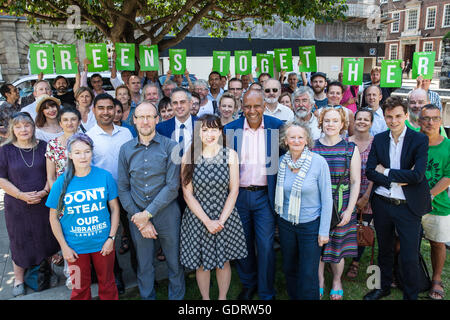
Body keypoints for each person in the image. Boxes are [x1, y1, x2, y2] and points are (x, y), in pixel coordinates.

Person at [364, 96, 431, 300]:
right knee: (384, 249)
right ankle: (382, 287)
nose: (393, 121)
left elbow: (417, 175)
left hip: (407, 206)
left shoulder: (419, 139)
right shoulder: (380, 138)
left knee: (409, 254)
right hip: (383, 203)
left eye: (398, 116)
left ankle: (410, 295)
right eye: (389, 116)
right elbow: (369, 172)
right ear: (384, 117)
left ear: (406, 115)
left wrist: (385, 172)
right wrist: (399, 176)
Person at [117, 101, 185, 300]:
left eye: (150, 117)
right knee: (144, 264)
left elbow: (173, 186)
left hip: (167, 215)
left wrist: (147, 215)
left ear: (157, 119)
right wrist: (139, 217)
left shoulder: (171, 146)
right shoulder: (125, 149)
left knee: (174, 263)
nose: (145, 121)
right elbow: (123, 187)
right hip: (137, 215)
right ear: (134, 120)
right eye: (141, 117)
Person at [224, 89, 283, 300]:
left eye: (256, 106)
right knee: (243, 244)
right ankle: (248, 284)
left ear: (264, 106)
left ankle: (267, 291)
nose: (252, 110)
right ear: (242, 107)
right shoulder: (230, 129)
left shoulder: (277, 127)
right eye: (247, 106)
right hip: (238, 196)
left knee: (266, 246)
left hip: (265, 196)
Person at [180, 114, 246, 300]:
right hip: (198, 217)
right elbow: (187, 193)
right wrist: (207, 221)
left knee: (223, 262)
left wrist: (220, 221)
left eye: (214, 129)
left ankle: (222, 299)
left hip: (224, 215)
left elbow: (233, 190)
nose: (210, 134)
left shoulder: (230, 155)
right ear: (198, 132)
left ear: (220, 132)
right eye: (205, 129)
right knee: (202, 263)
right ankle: (206, 299)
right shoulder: (189, 157)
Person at [46, 133, 120, 300]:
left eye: (87, 151)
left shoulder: (104, 176)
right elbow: (53, 218)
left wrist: (111, 238)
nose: (83, 156)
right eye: (77, 152)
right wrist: (64, 247)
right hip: (75, 248)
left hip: (103, 245)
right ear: (70, 155)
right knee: (79, 288)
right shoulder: (61, 182)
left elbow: (115, 209)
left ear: (92, 153)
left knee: (108, 284)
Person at [0, 112, 60, 297]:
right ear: (12, 129)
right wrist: (20, 195)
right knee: (20, 241)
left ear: (33, 127)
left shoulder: (44, 147)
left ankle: (45, 273)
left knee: (46, 238)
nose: (23, 129)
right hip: (17, 206)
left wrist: (44, 191)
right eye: (18, 126)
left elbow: (54, 173)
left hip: (43, 203)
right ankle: (18, 279)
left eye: (27, 125)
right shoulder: (5, 150)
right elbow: (1, 178)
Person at [275, 121, 332, 300]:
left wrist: (323, 231)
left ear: (307, 140)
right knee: (290, 267)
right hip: (286, 224)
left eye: (301, 137)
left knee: (308, 272)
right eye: (292, 137)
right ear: (286, 141)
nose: (297, 140)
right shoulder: (281, 162)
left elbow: (327, 199)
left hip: (310, 226)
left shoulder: (318, 162)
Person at [86, 93, 134, 293]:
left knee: (133, 236)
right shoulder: (88, 137)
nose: (106, 112)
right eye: (101, 108)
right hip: (103, 198)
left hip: (128, 193)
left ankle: (142, 273)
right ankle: (115, 276)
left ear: (116, 110)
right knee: (109, 239)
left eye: (109, 108)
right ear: (94, 110)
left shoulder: (126, 133)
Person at [311, 107, 361, 300]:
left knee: (336, 248)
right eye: (327, 121)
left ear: (342, 124)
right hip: (317, 204)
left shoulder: (350, 148)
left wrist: (349, 210)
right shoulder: (313, 147)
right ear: (321, 123)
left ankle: (337, 280)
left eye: (335, 121)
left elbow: (355, 180)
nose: (330, 124)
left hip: (341, 204)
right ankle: (320, 280)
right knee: (318, 245)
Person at [418, 104, 450, 300]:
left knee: (437, 243)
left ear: (441, 121)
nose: (430, 122)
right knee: (401, 241)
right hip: (412, 204)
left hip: (437, 205)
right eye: (426, 118)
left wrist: (429, 196)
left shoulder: (448, 146)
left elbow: (447, 176)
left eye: (435, 118)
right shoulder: (414, 142)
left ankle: (436, 279)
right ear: (419, 122)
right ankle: (403, 273)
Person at [345, 108, 375, 279]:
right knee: (344, 226)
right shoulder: (346, 142)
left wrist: (366, 196)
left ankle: (355, 262)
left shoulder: (376, 143)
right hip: (347, 193)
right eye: (359, 119)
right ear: (353, 121)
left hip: (367, 193)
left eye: (366, 119)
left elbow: (376, 170)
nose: (362, 122)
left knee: (362, 228)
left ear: (371, 123)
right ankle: (337, 257)